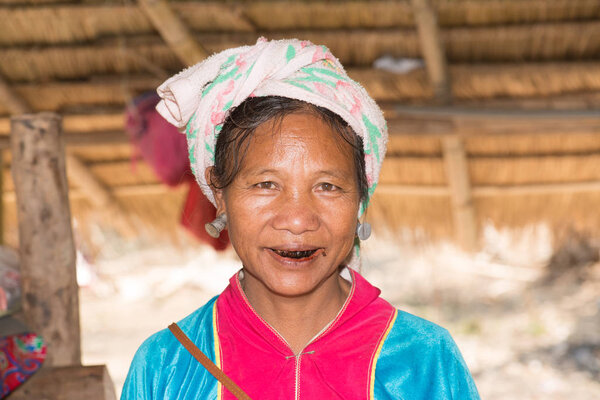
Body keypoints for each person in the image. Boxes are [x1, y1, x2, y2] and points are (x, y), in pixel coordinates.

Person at [121, 38, 480, 400]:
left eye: (327, 186)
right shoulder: (167, 365)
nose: (296, 220)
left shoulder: (421, 360)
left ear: (360, 197)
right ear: (220, 195)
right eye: (265, 184)